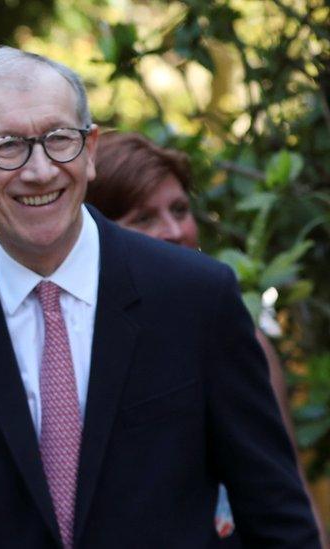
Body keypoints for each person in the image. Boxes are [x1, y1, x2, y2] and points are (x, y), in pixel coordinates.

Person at [0, 46, 321, 547]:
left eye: (59, 139)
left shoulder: (195, 298)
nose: (40, 170)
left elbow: (275, 512)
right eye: (7, 146)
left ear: (91, 149)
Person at [87, 130, 326, 546]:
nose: (173, 230)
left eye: (180, 209)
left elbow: (287, 493)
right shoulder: (67, 350)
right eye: (143, 218)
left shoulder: (233, 335)